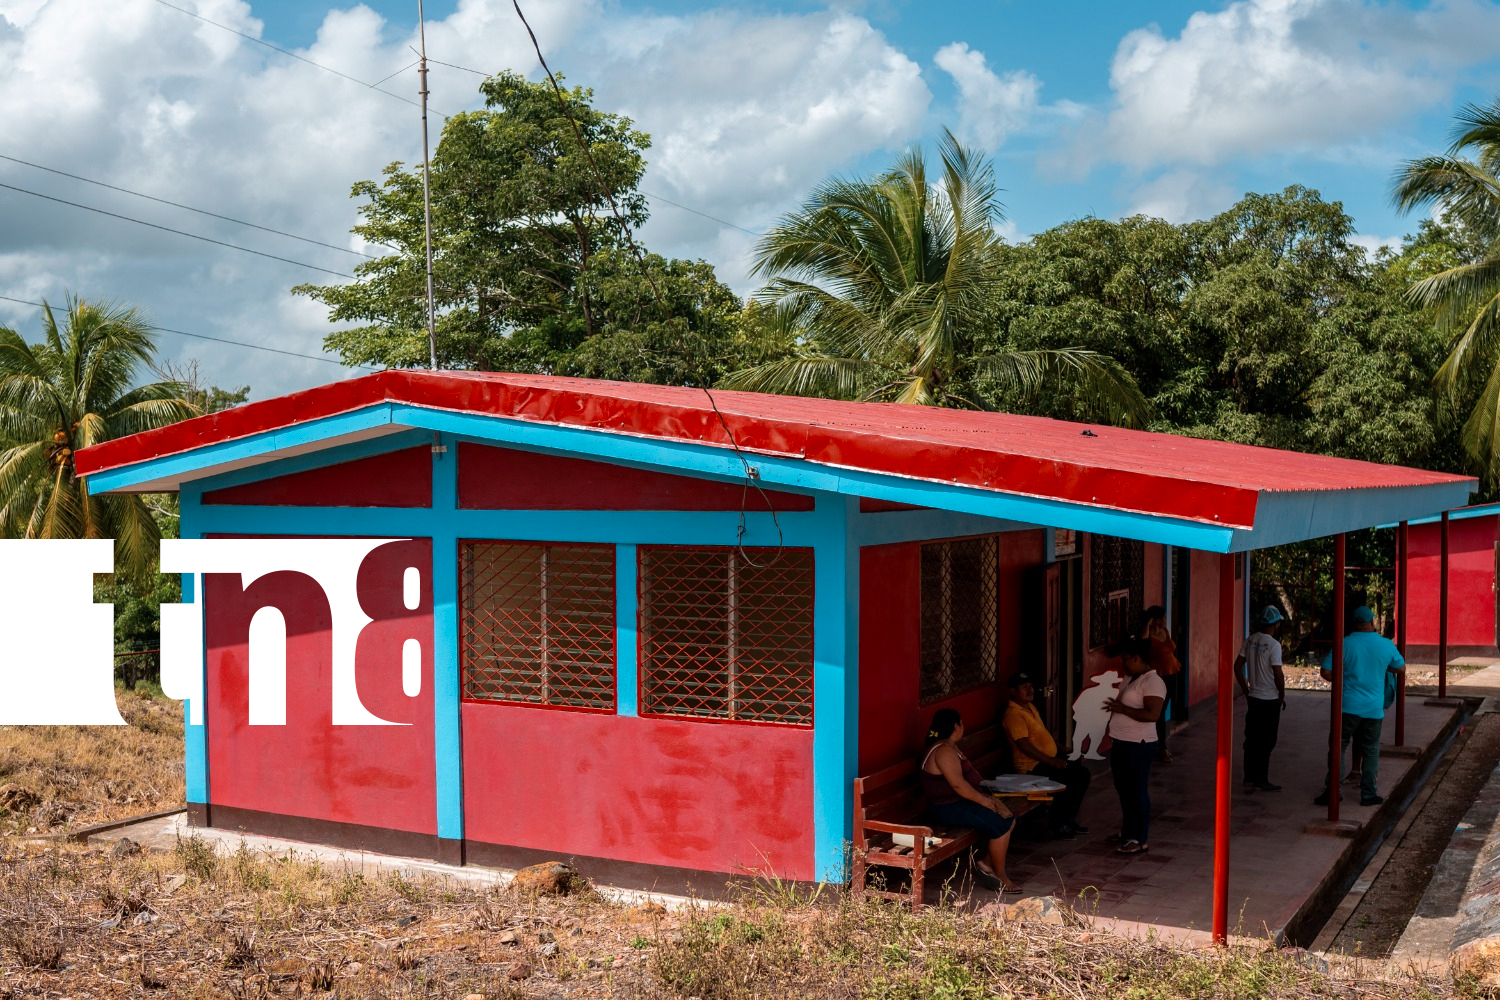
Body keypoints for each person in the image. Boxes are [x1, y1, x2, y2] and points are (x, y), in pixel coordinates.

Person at [920, 707, 1022, 893]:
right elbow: (958, 785)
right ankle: (1000, 875)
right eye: (962, 723)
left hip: (956, 803)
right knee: (1001, 826)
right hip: (947, 808)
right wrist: (984, 801)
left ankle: (986, 863)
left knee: (1008, 818)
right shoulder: (943, 751)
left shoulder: (947, 747)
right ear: (956, 726)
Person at [1315, 606, 1405, 807]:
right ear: (1372, 623)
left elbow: (1326, 672)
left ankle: (1333, 791)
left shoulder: (1344, 644)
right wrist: (1381, 667)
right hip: (1374, 709)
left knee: (1338, 747)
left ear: (1355, 623)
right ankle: (1368, 794)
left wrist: (1346, 674)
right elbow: (1400, 667)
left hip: (1347, 707)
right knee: (1371, 750)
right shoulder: (1385, 644)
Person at [1002, 672, 1092, 840]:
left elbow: (1041, 733)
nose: (1030, 690)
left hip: (1045, 761)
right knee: (1066, 780)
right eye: (1024, 687)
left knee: (1082, 773)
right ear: (1013, 691)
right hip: (1031, 767)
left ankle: (1069, 819)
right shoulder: (1014, 714)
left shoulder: (1030, 707)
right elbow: (1023, 745)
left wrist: (1059, 748)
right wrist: (1051, 761)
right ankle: (1057, 824)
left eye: (1030, 686)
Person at [1102, 637, 1165, 856]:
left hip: (1139, 744)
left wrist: (1122, 709)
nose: (1123, 664)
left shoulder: (1153, 682)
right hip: (1121, 742)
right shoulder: (1131, 677)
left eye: (1126, 659)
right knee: (1124, 790)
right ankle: (1127, 833)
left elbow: (1153, 715)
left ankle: (1140, 839)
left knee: (1137, 792)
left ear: (1137, 658)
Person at [1235, 606, 1287, 792]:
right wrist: (1281, 695)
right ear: (1276, 624)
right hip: (1270, 699)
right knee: (1267, 740)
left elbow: (1237, 666)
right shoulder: (1274, 645)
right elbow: (1278, 675)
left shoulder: (1249, 640)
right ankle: (1262, 779)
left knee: (1251, 739)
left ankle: (1249, 776)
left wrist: (1245, 689)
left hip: (1254, 698)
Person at [1140, 606, 1182, 763]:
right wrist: (1147, 624)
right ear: (1157, 620)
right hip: (1159, 678)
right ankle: (1160, 748)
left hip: (1173, 673)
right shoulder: (1149, 635)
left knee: (1162, 711)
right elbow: (1142, 641)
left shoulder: (1165, 632)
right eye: (1164, 618)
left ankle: (1159, 746)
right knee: (1159, 712)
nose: (1166, 620)